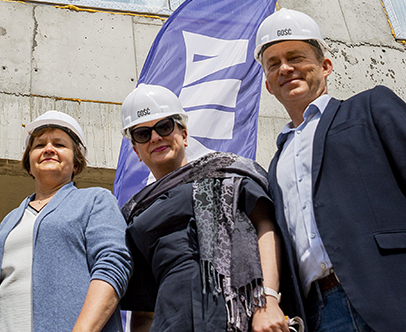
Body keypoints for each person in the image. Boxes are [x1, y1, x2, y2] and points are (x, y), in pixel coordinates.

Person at [257, 8, 406, 332]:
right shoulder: (275, 165)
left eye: (295, 57)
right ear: (268, 85)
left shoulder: (372, 108)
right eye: (273, 64)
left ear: (325, 66)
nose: (285, 68)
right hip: (320, 316)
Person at [119, 84, 288, 332]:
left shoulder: (228, 174)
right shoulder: (136, 214)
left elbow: (265, 227)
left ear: (184, 135)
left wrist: (269, 299)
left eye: (164, 127)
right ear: (136, 150)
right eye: (143, 134)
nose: (155, 137)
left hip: (240, 319)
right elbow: (143, 308)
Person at [0, 111, 130, 332]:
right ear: (29, 162)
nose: (49, 149)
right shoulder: (9, 221)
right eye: (39, 144)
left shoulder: (94, 201)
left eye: (60, 144)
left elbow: (113, 265)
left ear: (75, 163)